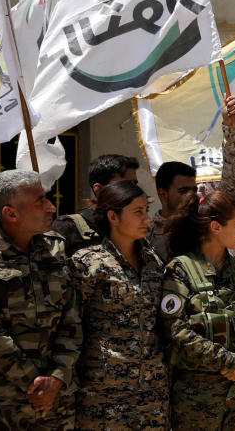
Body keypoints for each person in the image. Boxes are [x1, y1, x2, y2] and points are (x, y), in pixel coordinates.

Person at [0, 169, 82, 429]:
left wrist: (57, 377)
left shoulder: (55, 246)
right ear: (11, 213)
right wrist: (34, 384)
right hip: (6, 400)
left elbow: (72, 318)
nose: (51, 207)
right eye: (40, 201)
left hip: (59, 396)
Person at [160, 190, 235, 429]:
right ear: (216, 227)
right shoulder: (181, 270)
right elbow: (175, 330)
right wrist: (230, 362)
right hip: (199, 401)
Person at [69, 181, 168, 429]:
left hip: (151, 395)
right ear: (113, 216)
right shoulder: (88, 264)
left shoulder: (154, 262)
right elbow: (70, 328)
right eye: (138, 212)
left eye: (147, 210)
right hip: (104, 397)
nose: (147, 218)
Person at [149, 93, 235, 263]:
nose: (192, 195)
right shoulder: (146, 235)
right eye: (183, 190)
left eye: (193, 189)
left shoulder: (204, 219)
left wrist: (231, 127)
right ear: (163, 194)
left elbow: (234, 178)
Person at [51, 153, 139, 257]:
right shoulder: (69, 227)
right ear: (99, 189)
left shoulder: (135, 225)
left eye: (134, 184)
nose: (134, 190)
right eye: (126, 185)